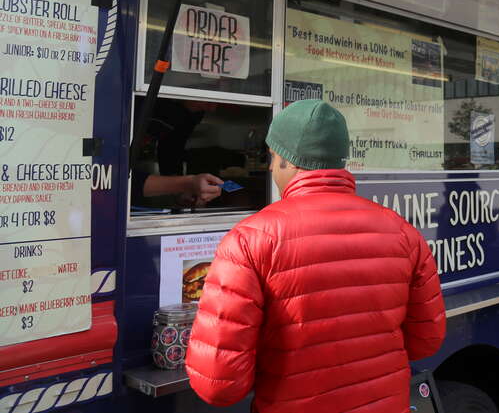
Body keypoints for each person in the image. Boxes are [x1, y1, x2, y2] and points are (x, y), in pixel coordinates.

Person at [186, 99, 446, 412]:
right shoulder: (403, 233)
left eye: (272, 157)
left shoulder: (248, 240)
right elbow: (425, 341)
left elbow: (219, 384)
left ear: (289, 160)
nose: (269, 168)